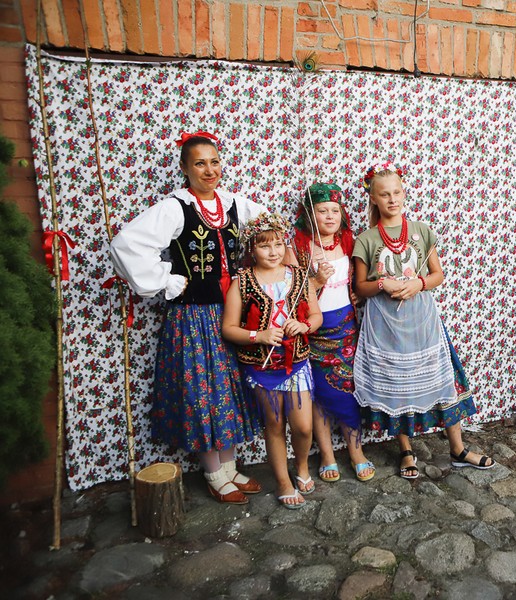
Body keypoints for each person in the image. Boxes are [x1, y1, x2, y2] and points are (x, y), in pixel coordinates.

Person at [110, 131, 266, 505]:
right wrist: (166, 279)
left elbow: (269, 229)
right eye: (199, 163)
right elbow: (126, 244)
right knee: (204, 391)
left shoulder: (234, 205)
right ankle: (214, 473)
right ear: (185, 168)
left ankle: (229, 467)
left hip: (231, 312)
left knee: (228, 388)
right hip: (194, 317)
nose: (209, 170)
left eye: (214, 161)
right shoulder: (174, 207)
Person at [351, 163, 494, 479]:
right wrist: (381, 284)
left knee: (443, 380)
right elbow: (360, 287)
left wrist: (419, 283)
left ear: (404, 193)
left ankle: (457, 448)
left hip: (423, 320)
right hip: (385, 324)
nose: (392, 199)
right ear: (373, 198)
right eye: (384, 194)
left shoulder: (422, 230)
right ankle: (406, 450)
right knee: (396, 384)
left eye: (397, 192)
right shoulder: (366, 239)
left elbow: (438, 274)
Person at [222, 213, 323, 508]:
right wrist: (259, 336)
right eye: (265, 246)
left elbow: (315, 316)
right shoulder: (242, 283)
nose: (274, 252)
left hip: (297, 363)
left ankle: (302, 466)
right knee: (275, 425)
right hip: (262, 367)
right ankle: (283, 481)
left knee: (303, 427)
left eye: (279, 244)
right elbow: (229, 329)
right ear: (252, 249)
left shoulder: (299, 277)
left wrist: (304, 326)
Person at [294, 182, 375, 483]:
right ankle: (327, 454)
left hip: (346, 328)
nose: (329, 217)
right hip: (314, 330)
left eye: (334, 211)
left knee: (347, 388)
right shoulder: (299, 247)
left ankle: (356, 450)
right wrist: (316, 280)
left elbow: (361, 283)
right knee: (319, 394)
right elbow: (291, 297)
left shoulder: (350, 241)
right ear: (309, 215)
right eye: (321, 211)